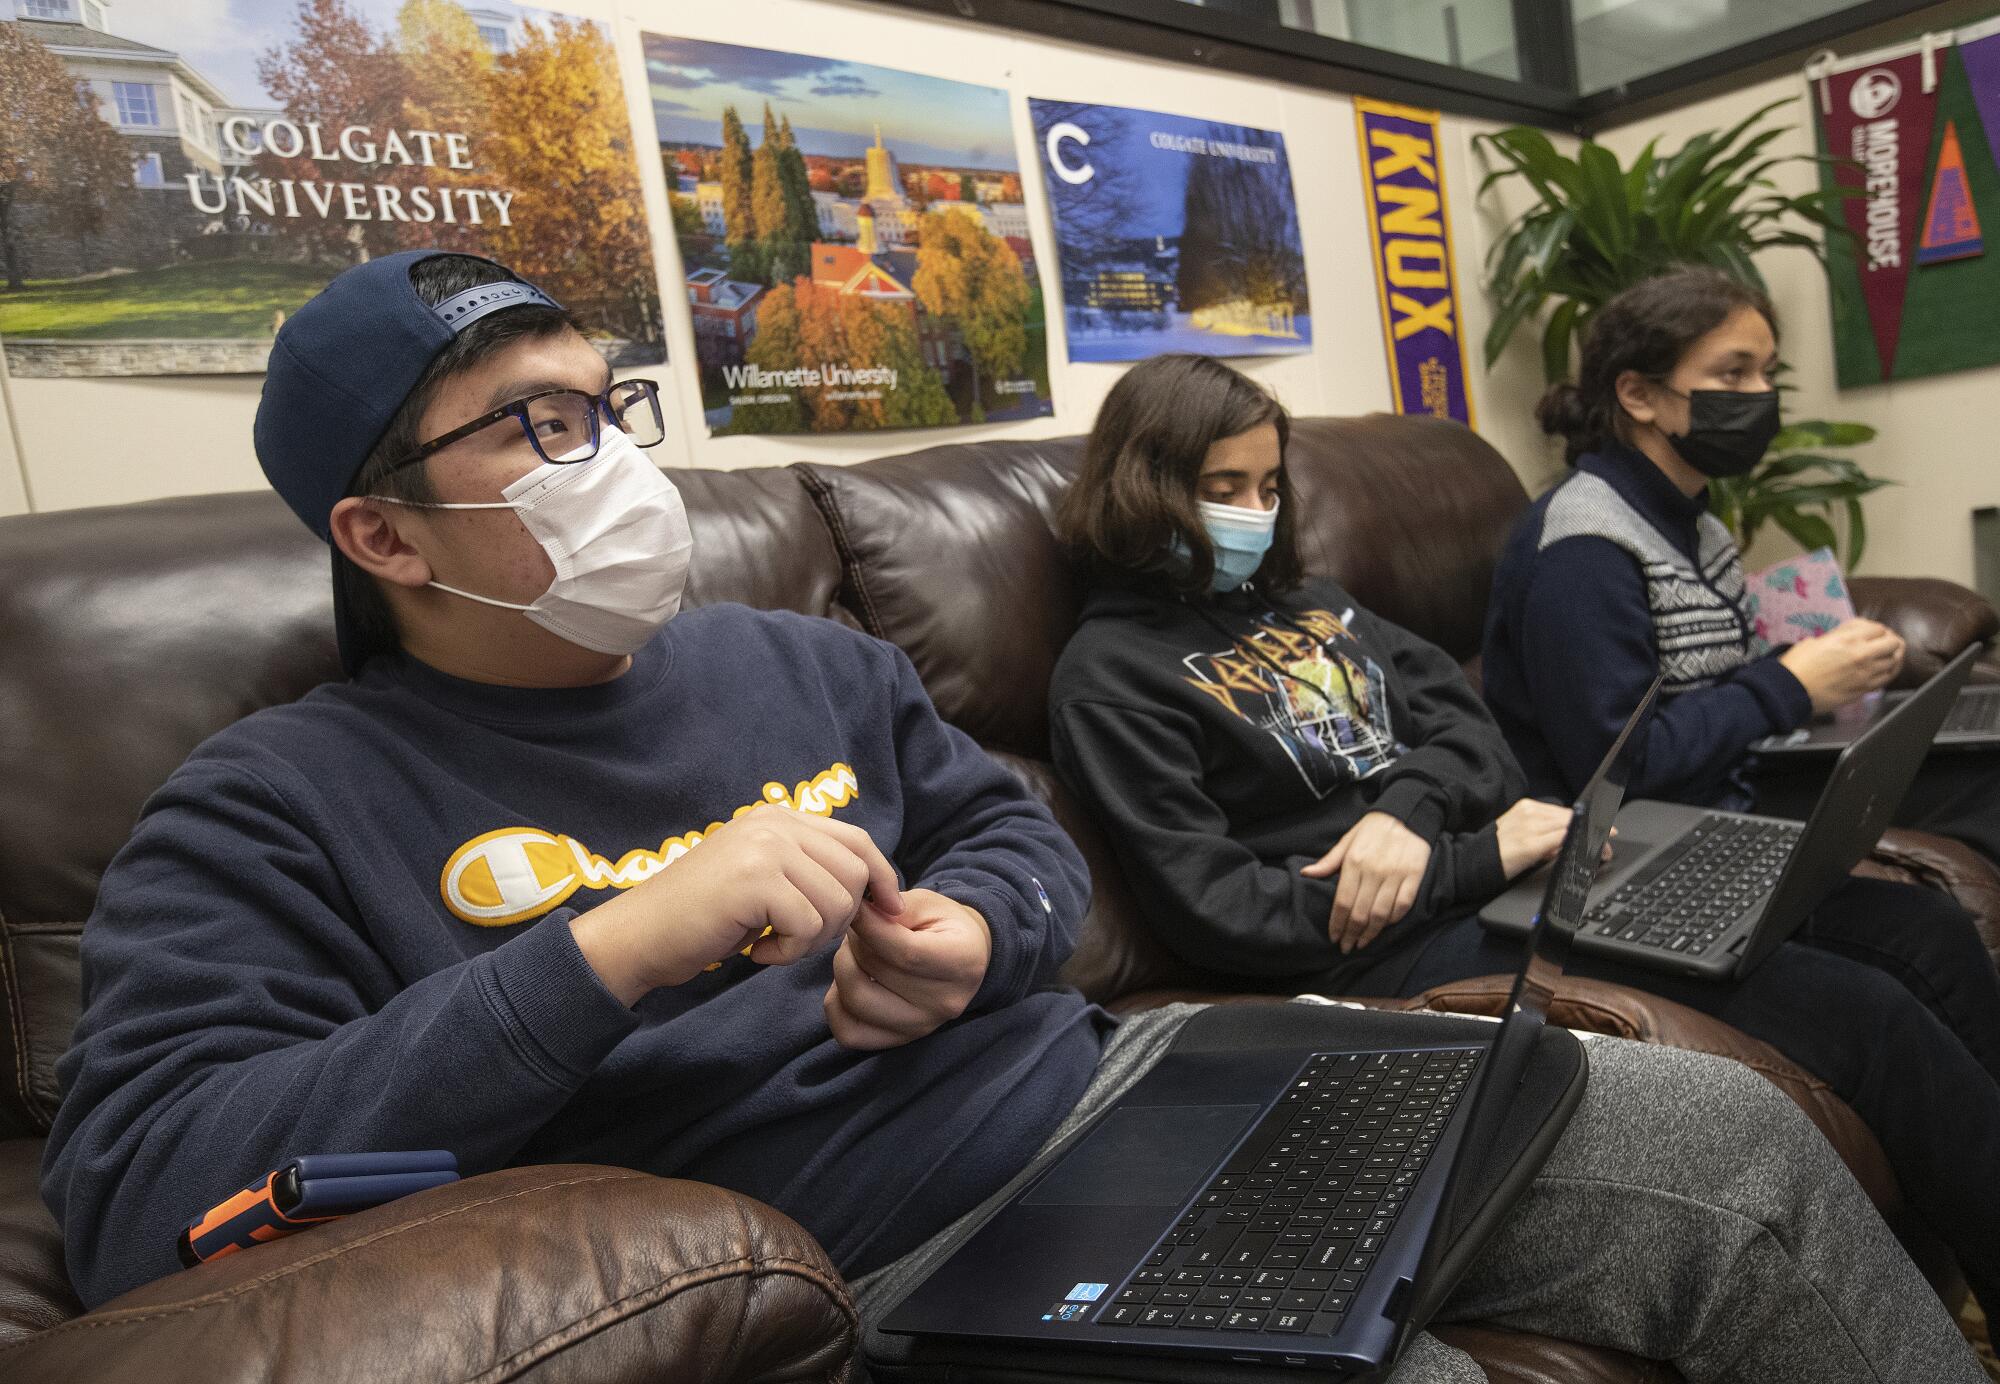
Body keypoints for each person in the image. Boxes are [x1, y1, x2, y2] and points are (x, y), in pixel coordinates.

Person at [38, 258, 1981, 1382]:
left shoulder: (792, 665)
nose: (611, 462)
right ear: (377, 532)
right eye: (534, 429)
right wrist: (603, 951)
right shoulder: (274, 801)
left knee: (1725, 1136)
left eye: (605, 402)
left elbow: (1022, 849)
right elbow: (141, 1202)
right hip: (890, 1253)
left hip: (1142, 1082)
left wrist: (979, 931)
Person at [1047, 351, 2000, 1321]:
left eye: (1266, 483)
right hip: (1396, 946)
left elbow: (1472, 735)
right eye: (1222, 489)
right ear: (1147, 487)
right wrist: (1468, 855)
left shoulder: (1315, 606)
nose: (1254, 509)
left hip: (1506, 862)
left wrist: (1399, 812)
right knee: (1860, 1010)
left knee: (1907, 926)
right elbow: (1223, 915)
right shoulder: (1108, 676)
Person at [1482, 265, 2000, 865]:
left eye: (1767, 372)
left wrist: (1822, 669)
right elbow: (1622, 773)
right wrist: (1792, 684)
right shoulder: (1582, 549)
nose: (1761, 394)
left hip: (1735, 780)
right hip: (1656, 836)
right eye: (1734, 372)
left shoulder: (1697, 525)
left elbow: (1709, 690)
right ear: (1639, 395)